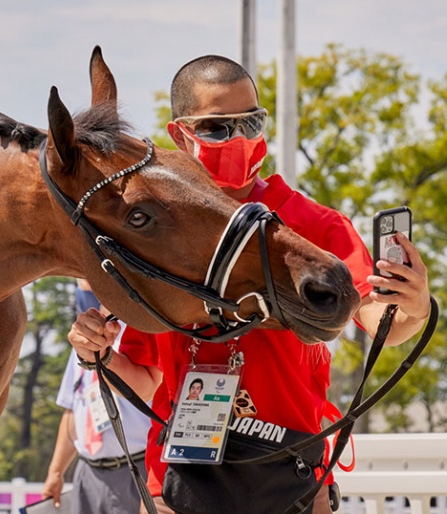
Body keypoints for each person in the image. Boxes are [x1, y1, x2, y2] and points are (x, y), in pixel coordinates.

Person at [66, 55, 431, 514]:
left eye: (251, 122)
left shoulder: (313, 223)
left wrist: (412, 305)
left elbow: (381, 323)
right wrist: (96, 355)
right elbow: (144, 378)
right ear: (180, 134)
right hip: (180, 482)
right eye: (217, 127)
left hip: (291, 475)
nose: (238, 139)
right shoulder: (158, 237)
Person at [41, 279, 160, 514]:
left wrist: (105, 356)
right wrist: (56, 471)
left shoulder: (141, 330)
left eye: (88, 279)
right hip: (88, 472)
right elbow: (72, 410)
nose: (84, 285)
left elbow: (146, 388)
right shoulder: (81, 342)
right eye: (79, 280)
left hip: (136, 467)